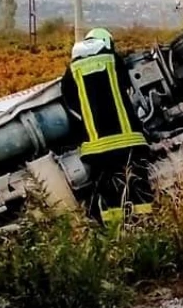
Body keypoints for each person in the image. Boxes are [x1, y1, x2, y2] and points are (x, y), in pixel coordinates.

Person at [60, 27, 155, 223]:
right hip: (127, 140)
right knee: (137, 186)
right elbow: (129, 87)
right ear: (107, 43)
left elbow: (70, 104)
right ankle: (144, 227)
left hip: (96, 148)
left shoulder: (71, 73)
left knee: (109, 193)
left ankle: (115, 231)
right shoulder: (113, 61)